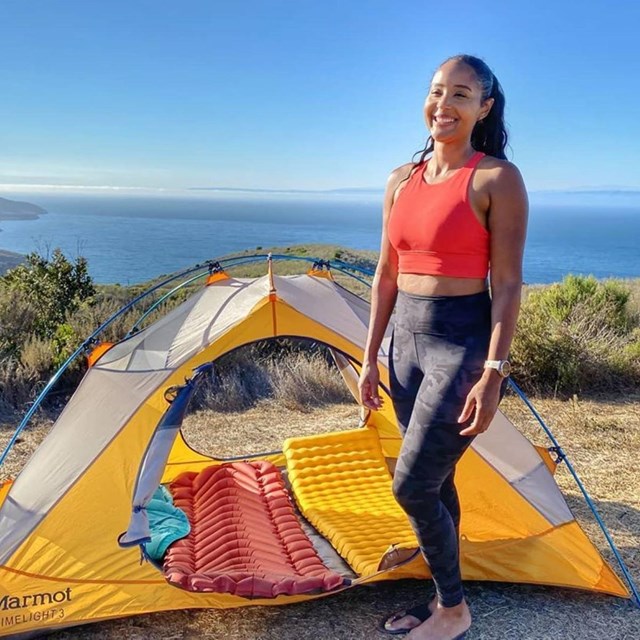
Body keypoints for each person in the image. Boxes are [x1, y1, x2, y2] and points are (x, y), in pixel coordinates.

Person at [358, 54, 528, 640]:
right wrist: (369, 354)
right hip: (404, 342)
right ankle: (441, 596)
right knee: (437, 480)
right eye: (436, 92)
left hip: (460, 344)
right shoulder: (399, 180)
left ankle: (454, 611)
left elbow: (506, 283)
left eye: (461, 94)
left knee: (411, 484)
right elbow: (385, 273)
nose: (444, 105)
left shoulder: (496, 179)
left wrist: (494, 372)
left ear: (483, 108)